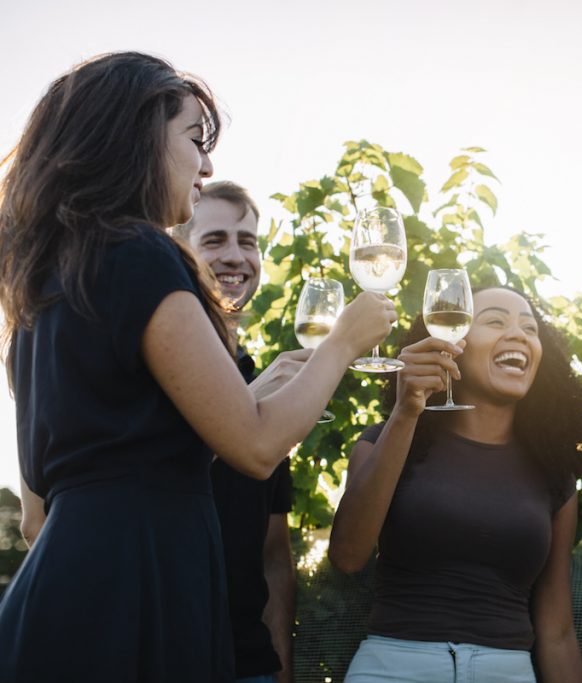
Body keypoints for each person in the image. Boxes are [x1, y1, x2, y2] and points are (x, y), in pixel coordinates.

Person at [0, 52, 396, 681]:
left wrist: (256, 392)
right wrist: (344, 342)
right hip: (142, 590)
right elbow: (259, 446)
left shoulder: (45, 288)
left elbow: (45, 507)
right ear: (134, 139)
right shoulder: (142, 253)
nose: (207, 166)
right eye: (194, 140)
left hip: (65, 589)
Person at [328, 286, 582, 683]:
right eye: (495, 321)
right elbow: (348, 556)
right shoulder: (384, 443)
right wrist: (406, 411)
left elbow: (556, 632)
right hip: (394, 668)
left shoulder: (554, 473)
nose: (518, 334)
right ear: (449, 344)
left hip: (508, 672)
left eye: (529, 328)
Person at [172, 181, 299, 683]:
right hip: (158, 652)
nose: (235, 256)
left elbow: (273, 556)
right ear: (180, 252)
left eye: (247, 242)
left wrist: (280, 667)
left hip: (248, 665)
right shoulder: (155, 366)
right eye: (215, 240)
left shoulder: (260, 380)